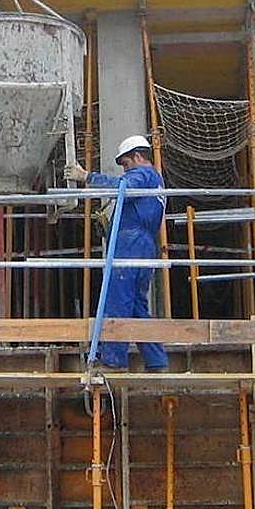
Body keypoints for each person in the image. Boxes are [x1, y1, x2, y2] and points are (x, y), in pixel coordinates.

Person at [65, 134, 168, 372]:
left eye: (126, 164)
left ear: (139, 157)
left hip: (130, 244)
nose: (125, 170)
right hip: (142, 245)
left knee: (117, 298)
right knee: (136, 308)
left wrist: (87, 177)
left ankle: (113, 360)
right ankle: (156, 361)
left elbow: (124, 186)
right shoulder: (154, 180)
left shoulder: (144, 174)